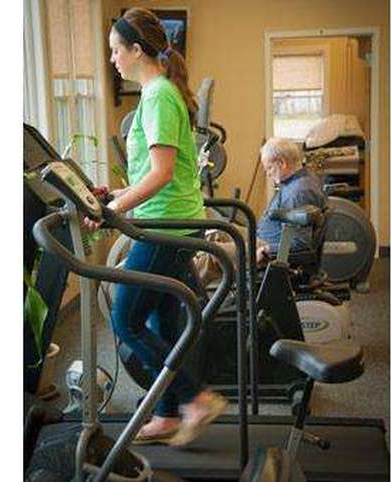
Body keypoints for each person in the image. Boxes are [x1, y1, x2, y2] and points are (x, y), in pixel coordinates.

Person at [84, 7, 226, 447]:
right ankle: (166, 414)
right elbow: (154, 167)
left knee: (125, 319)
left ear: (136, 50)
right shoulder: (157, 94)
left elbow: (162, 174)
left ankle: (194, 399)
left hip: (168, 228)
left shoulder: (159, 94)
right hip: (172, 222)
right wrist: (116, 196)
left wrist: (115, 210)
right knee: (164, 325)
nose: (111, 60)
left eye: (114, 51)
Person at [194, 137, 327, 284]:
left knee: (211, 253)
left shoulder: (298, 192)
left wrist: (268, 250)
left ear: (281, 163)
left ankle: (180, 299)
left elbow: (300, 243)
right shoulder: (301, 179)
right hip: (262, 238)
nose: (268, 174)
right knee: (216, 233)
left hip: (267, 247)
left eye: (269, 168)